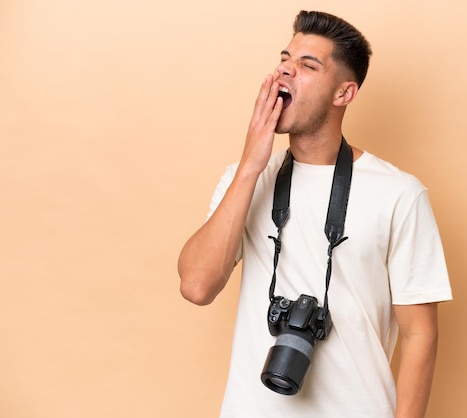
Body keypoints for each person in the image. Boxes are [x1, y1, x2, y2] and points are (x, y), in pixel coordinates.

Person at [178, 10, 452, 418]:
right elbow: (197, 286)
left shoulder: (399, 194)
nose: (285, 72)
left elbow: (419, 335)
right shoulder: (244, 179)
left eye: (307, 66)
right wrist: (252, 164)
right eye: (285, 59)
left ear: (344, 93)